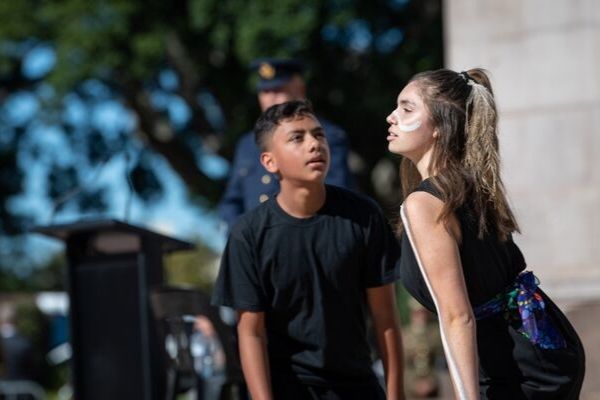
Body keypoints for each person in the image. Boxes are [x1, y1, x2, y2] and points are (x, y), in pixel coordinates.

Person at [387, 67, 585, 399]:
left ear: (438, 125)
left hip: (516, 367)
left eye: (406, 108)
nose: (391, 117)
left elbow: (457, 316)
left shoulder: (425, 204)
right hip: (541, 349)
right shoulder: (470, 186)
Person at [212, 100, 405, 399]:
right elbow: (251, 333)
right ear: (269, 162)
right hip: (287, 386)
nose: (314, 144)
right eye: (296, 138)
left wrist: (396, 395)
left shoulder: (364, 216)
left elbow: (386, 319)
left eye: (319, 134)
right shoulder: (248, 234)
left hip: (356, 385)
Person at [218, 57, 354, 230]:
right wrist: (243, 238)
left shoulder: (327, 135)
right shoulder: (247, 144)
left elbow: (338, 195)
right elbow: (231, 202)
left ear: (299, 89)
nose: (271, 98)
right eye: (265, 92)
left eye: (278, 90)